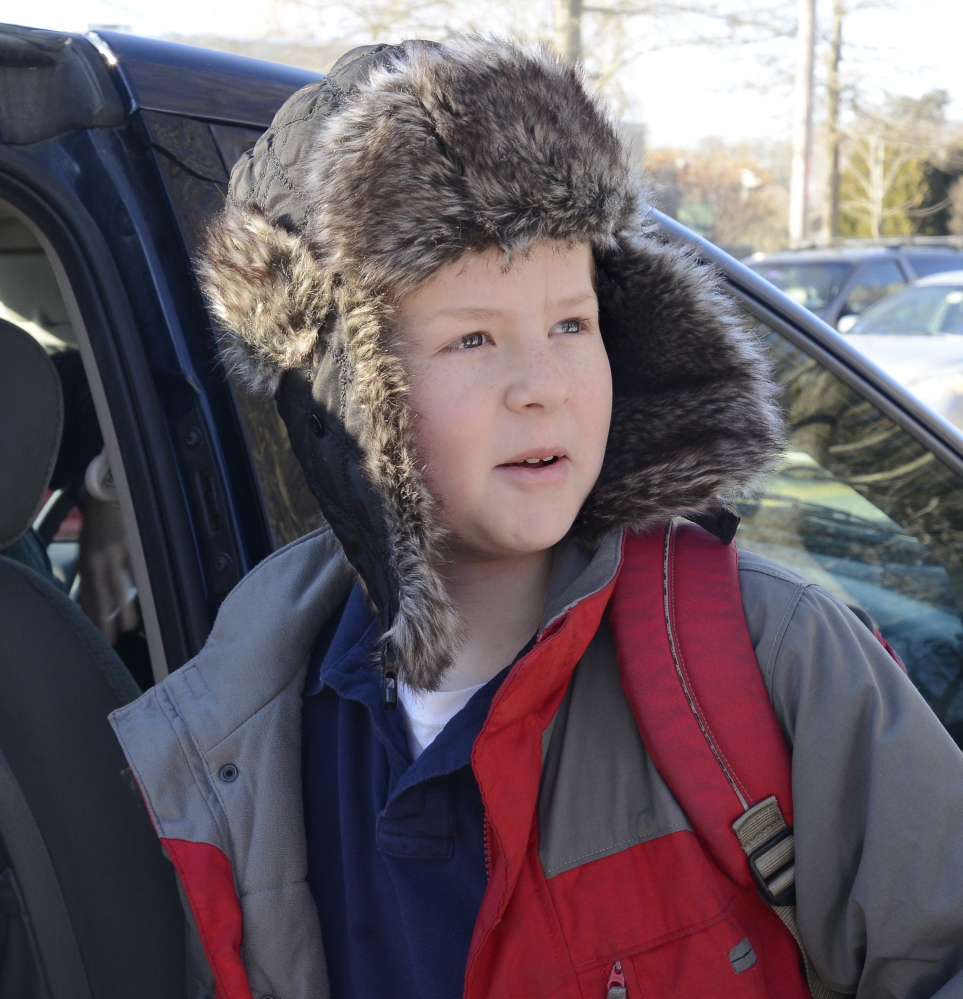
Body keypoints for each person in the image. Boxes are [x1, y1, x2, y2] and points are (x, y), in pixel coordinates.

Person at [110, 37, 963, 999]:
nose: (544, 386)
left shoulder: (766, 656)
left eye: (571, 323)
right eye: (473, 338)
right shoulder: (248, 709)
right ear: (341, 397)